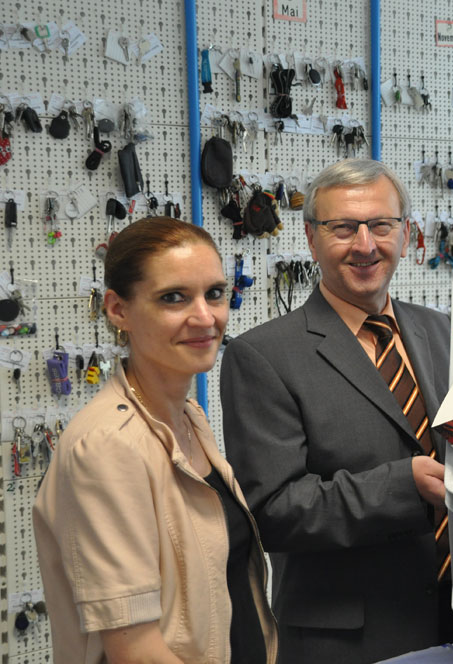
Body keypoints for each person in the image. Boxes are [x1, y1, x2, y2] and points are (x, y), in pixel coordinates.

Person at [220, 158, 453, 663]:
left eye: (381, 225)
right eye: (342, 228)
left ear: (405, 233)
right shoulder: (262, 356)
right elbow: (271, 513)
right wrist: (403, 487)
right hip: (341, 645)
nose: (365, 245)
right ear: (312, 240)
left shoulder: (445, 331)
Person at [33, 217, 277, 664]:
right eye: (173, 298)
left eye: (215, 294)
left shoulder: (187, 418)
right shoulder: (109, 446)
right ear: (117, 309)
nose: (205, 317)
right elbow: (137, 652)